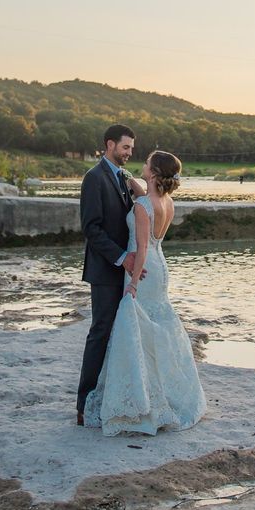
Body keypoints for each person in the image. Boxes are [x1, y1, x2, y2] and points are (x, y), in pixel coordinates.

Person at [83, 150, 207, 436]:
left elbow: (138, 247)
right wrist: (131, 180)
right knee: (155, 327)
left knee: (138, 330)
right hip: (161, 267)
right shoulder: (167, 202)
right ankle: (167, 392)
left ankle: (145, 401)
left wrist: (134, 282)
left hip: (144, 269)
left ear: (152, 172)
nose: (142, 164)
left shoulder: (141, 206)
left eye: (147, 163)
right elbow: (147, 205)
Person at [76, 124, 140, 425]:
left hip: (124, 270)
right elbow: (91, 228)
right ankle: (84, 404)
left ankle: (108, 398)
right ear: (109, 145)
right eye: (125, 147)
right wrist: (120, 257)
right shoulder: (94, 178)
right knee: (100, 333)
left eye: (131, 148)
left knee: (119, 334)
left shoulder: (123, 178)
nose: (129, 153)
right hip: (104, 270)